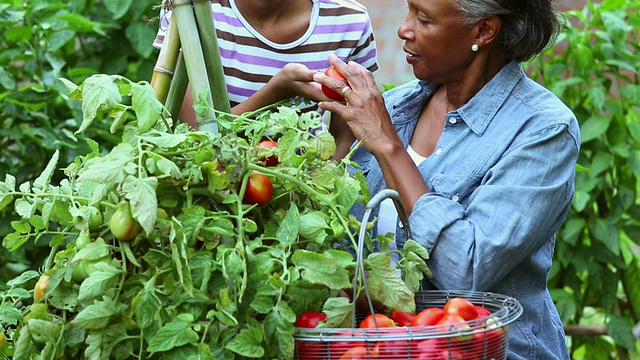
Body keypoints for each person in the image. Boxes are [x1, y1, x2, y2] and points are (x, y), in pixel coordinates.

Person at [310, 0, 579, 359]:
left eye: (423, 18)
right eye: (408, 12)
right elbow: (345, 239)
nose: (404, 29)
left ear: (484, 31)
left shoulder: (543, 131)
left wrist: (390, 149)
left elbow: (466, 270)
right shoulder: (396, 108)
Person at [153, 0, 378, 157]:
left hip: (303, 192)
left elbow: (345, 140)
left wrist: (319, 196)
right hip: (211, 188)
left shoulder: (349, 22)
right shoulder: (192, 9)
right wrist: (275, 92)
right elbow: (196, 139)